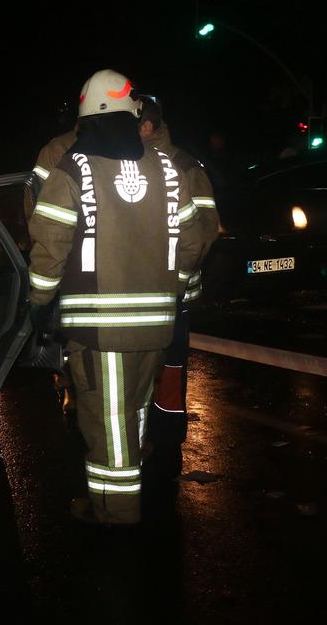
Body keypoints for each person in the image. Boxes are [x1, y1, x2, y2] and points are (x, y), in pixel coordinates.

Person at [27, 69, 203, 526]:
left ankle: (118, 520)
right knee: (134, 418)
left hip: (99, 328)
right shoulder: (168, 166)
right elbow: (192, 240)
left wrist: (38, 303)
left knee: (108, 429)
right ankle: (110, 503)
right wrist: (174, 287)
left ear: (85, 115)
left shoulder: (71, 169)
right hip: (157, 326)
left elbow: (49, 246)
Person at [137, 95, 220, 465]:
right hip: (141, 293)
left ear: (147, 127)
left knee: (169, 370)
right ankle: (145, 438)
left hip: (174, 296)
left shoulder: (184, 166)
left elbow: (205, 231)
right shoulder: (133, 163)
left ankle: (167, 446)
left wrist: (176, 283)